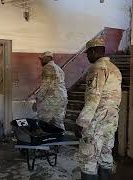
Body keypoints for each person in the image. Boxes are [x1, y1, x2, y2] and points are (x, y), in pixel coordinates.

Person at [76, 38, 122, 180]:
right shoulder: (114, 68)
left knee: (88, 159)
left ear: (94, 51)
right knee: (106, 155)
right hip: (111, 121)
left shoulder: (97, 68)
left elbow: (93, 99)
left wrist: (81, 123)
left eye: (88, 53)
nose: (88, 56)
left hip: (97, 121)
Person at [33, 51, 68, 130]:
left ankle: (42, 139)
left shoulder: (48, 67)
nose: (41, 61)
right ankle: (60, 138)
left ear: (47, 58)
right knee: (59, 121)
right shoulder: (58, 68)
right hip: (63, 97)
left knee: (42, 120)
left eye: (42, 59)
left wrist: (38, 98)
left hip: (52, 98)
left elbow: (45, 85)